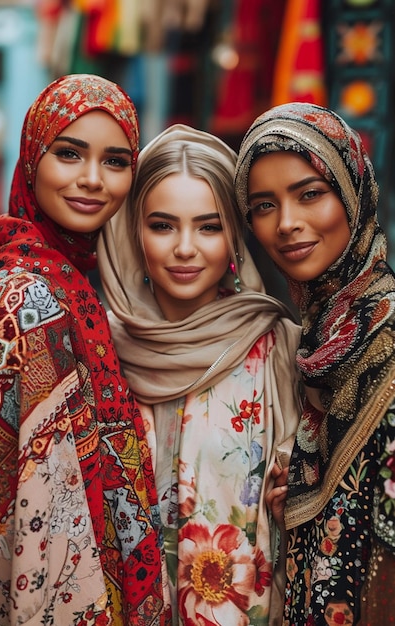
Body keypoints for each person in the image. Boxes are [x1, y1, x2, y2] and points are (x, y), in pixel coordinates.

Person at [0, 74, 170, 626]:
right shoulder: (30, 295)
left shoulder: (74, 279)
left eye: (115, 161)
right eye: (69, 153)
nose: (92, 181)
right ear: (34, 158)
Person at [97, 124, 302, 625]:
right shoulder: (96, 345)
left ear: (235, 235)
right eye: (163, 226)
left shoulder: (279, 347)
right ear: (132, 231)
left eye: (209, 227)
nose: (185, 248)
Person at [234, 102, 395, 625]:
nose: (287, 224)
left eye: (310, 194)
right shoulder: (317, 343)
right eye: (263, 205)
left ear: (352, 193)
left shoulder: (385, 340)